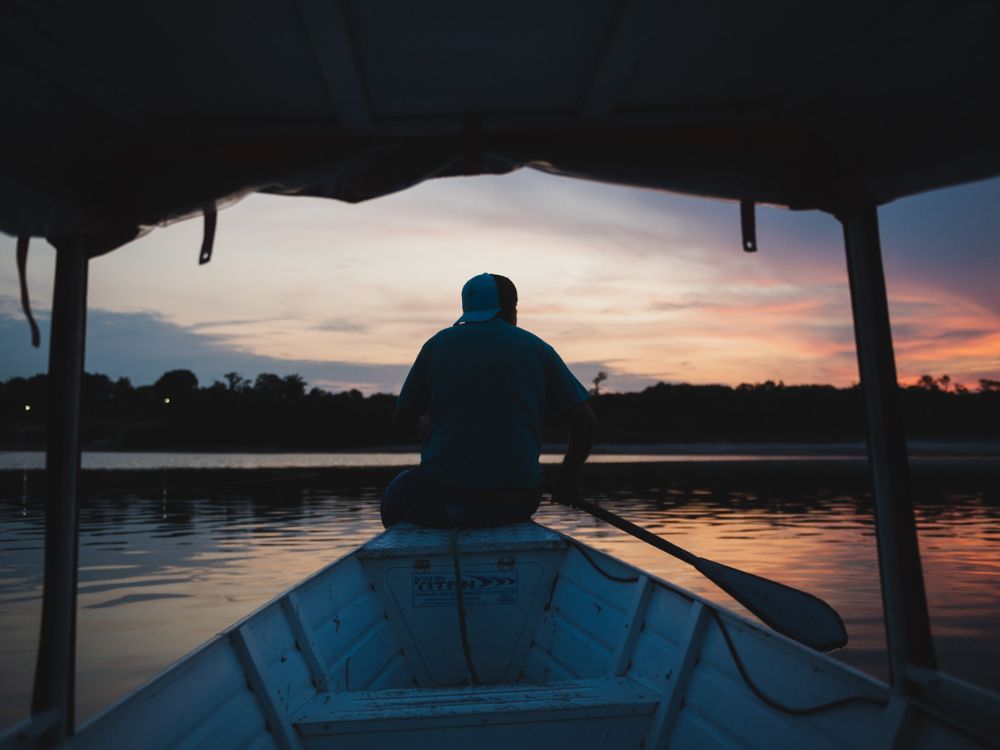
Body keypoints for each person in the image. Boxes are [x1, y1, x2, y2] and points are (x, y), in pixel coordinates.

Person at [381, 273, 598, 528]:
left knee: (399, 491)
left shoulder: (436, 345)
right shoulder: (538, 349)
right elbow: (586, 423)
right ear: (510, 308)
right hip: (517, 501)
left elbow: (403, 420)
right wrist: (568, 478)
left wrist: (429, 427)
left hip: (442, 499)